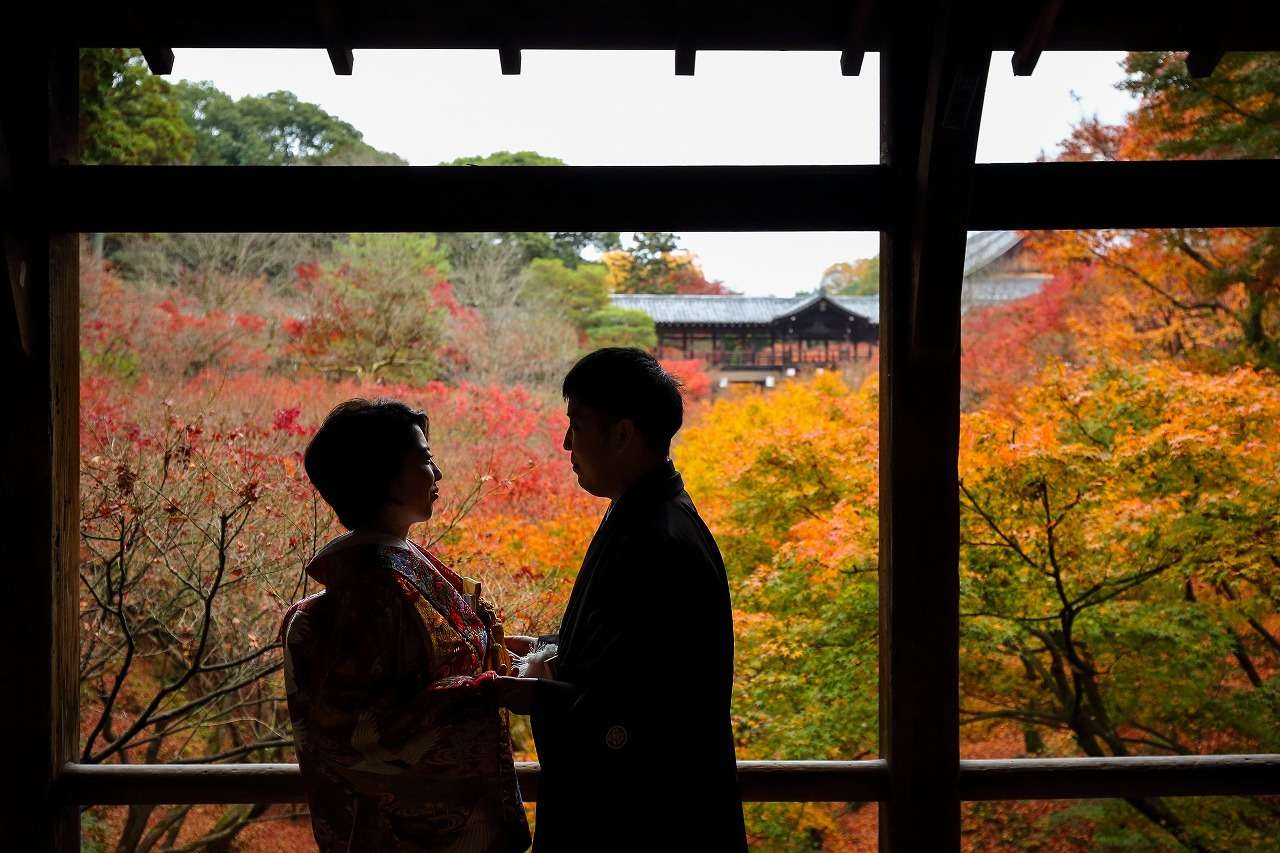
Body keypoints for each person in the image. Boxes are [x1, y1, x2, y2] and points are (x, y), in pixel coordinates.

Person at [494, 348, 747, 851]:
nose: (566, 443)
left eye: (576, 425)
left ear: (622, 435)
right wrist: (545, 649)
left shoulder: (658, 538)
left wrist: (533, 690)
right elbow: (626, 652)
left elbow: (631, 709)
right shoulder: (650, 516)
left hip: (648, 821)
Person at [280, 398, 531, 853]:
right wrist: (488, 691)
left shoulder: (387, 571)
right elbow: (364, 728)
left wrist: (498, 653)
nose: (438, 474)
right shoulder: (371, 589)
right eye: (425, 460)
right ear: (383, 476)